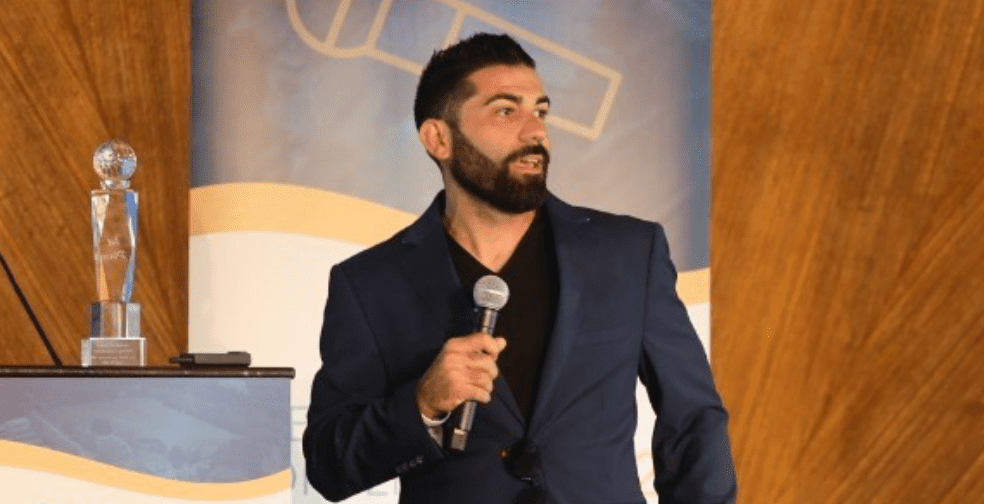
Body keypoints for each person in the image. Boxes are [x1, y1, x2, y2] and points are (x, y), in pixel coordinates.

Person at [303, 32, 737, 504]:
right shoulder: (369, 283)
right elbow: (329, 464)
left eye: (541, 112)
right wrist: (422, 404)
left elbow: (692, 420)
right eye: (506, 111)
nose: (536, 132)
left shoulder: (630, 253)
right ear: (439, 138)